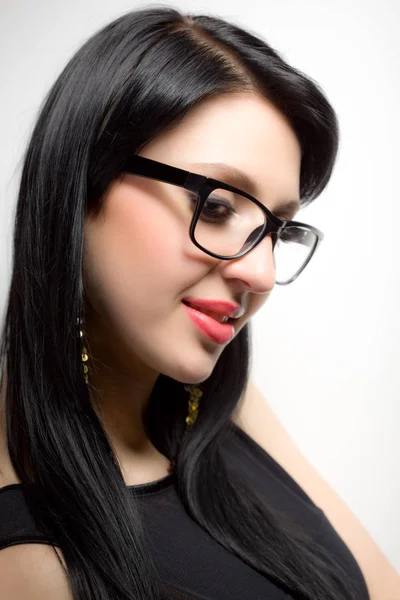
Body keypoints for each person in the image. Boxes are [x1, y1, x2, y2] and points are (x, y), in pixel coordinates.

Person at [0, 6, 398, 600]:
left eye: (278, 228)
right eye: (215, 207)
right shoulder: (33, 562)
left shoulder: (216, 404)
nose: (260, 273)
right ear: (83, 183)